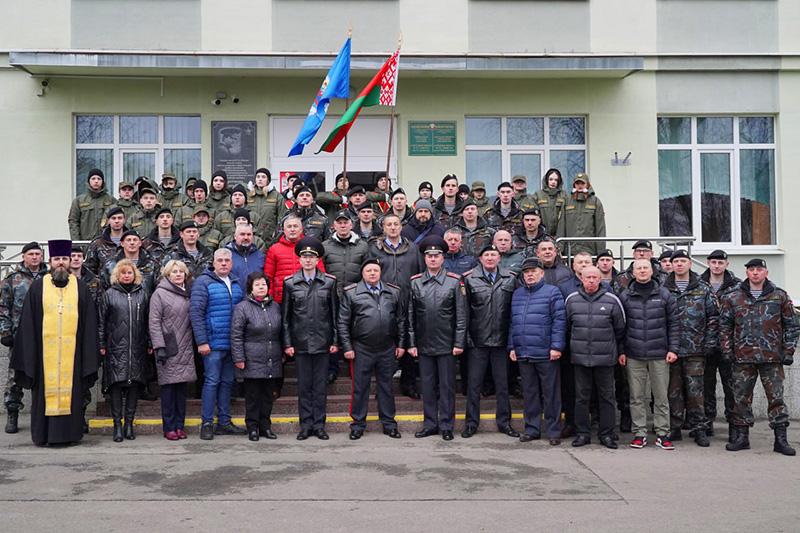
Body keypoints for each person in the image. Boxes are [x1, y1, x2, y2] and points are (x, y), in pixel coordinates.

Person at [9, 240, 99, 446]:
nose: (61, 263)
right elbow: (28, 322)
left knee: (73, 394)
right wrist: (30, 354)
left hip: (72, 356)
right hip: (44, 357)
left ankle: (71, 435)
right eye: (57, 259)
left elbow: (89, 323)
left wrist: (88, 354)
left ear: (70, 262)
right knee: (43, 394)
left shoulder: (81, 288)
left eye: (64, 259)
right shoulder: (38, 287)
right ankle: (44, 435)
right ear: (50, 261)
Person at [720, 258, 799, 456]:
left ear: (766, 272)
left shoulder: (779, 296)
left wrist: (788, 351)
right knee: (741, 399)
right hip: (742, 357)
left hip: (771, 357)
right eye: (751, 269)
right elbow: (725, 326)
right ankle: (742, 438)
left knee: (776, 399)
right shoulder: (733, 297)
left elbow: (792, 325)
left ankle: (781, 440)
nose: (755, 273)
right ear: (746, 273)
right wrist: (727, 351)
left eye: (759, 269)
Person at [339, 259, 407, 440]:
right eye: (368, 270)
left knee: (386, 387)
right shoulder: (351, 292)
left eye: (375, 270)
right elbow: (343, 322)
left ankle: (389, 424)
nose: (372, 273)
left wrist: (401, 344)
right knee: (360, 388)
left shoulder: (393, 291)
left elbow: (401, 320)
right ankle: (358, 425)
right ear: (362, 273)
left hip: (387, 348)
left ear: (380, 272)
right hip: (361, 348)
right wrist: (347, 347)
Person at [408, 236, 467, 441]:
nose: (433, 259)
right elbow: (410, 316)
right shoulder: (415, 282)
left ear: (443, 258)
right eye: (429, 256)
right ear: (424, 258)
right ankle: (430, 424)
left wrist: (459, 342)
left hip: (447, 344)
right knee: (427, 387)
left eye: (437, 255)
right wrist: (412, 343)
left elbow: (461, 315)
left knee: (447, 387)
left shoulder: (454, 281)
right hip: (424, 343)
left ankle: (447, 425)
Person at [618, 259, 679, 450]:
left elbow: (674, 323)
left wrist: (673, 349)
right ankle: (639, 433)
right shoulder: (625, 296)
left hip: (660, 353)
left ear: (652, 271)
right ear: (633, 272)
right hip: (633, 354)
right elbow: (620, 326)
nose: (642, 271)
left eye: (646, 268)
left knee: (661, 397)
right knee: (636, 397)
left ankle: (662, 433)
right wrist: (621, 351)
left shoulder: (664, 294)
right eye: (639, 268)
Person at [282, 237, 338, 441]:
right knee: (304, 387)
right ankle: (305, 425)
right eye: (304, 256)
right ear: (299, 259)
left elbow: (335, 314)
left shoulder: (329, 282)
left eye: (311, 257)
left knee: (320, 387)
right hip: (301, 343)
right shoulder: (290, 283)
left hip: (323, 342)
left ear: (317, 260)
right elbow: (286, 317)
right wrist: (288, 343)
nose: (307, 260)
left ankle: (319, 425)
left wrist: (335, 341)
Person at [564, 266, 626, 449]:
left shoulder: (612, 300)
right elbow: (567, 327)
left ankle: (606, 434)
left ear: (600, 279)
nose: (591, 281)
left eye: (594, 277)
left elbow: (620, 329)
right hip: (580, 358)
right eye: (587, 277)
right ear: (581, 279)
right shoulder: (571, 300)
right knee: (581, 398)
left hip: (605, 359)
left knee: (606, 397)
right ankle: (583, 434)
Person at [461, 244, 518, 439]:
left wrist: (512, 341)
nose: (490, 258)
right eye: (487, 255)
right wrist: (467, 339)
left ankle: (504, 423)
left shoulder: (511, 278)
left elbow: (514, 311)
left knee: (502, 386)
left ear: (499, 258)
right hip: (478, 342)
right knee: (474, 386)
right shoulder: (469, 279)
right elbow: (464, 312)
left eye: (494, 254)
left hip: (501, 341)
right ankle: (471, 423)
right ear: (480, 259)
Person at [508, 257, 566, 445]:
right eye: (526, 272)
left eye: (533, 271)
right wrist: (512, 346)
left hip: (546, 352)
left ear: (542, 273)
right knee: (530, 393)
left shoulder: (552, 292)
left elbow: (559, 321)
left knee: (551, 394)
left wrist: (556, 347)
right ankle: (531, 429)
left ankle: (553, 431)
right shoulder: (517, 294)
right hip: (524, 352)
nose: (530, 275)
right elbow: (513, 322)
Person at [663, 250, 718, 447]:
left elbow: (713, 317)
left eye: (683, 261)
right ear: (671, 265)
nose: (679, 264)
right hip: (671, 349)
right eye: (676, 261)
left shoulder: (703, 288)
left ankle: (699, 428)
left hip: (696, 349)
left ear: (689, 264)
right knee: (673, 391)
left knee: (696, 392)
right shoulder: (663, 288)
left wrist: (709, 342)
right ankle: (674, 427)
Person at [190, 248, 245, 440]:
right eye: (220, 260)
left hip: (232, 343)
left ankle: (224, 422)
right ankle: (207, 423)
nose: (223, 263)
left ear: (231, 263)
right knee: (212, 382)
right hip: (212, 344)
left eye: (227, 261)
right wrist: (202, 341)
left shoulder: (236, 282)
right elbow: (196, 313)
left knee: (227, 382)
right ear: (213, 262)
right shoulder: (203, 282)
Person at [368, 214, 424, 398]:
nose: (392, 227)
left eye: (396, 224)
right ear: (383, 228)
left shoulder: (413, 248)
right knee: (385, 345)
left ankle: (409, 385)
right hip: (384, 302)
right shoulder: (375, 249)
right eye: (389, 225)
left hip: (408, 301)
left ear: (401, 227)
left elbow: (420, 273)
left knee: (408, 343)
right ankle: (383, 388)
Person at [98, 259, 151, 442]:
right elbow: (101, 322)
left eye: (129, 273)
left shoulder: (143, 294)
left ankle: (129, 424)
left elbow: (148, 321)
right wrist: (101, 344)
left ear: (135, 275)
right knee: (116, 385)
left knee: (134, 386)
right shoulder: (109, 294)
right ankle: (117, 426)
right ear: (117, 275)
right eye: (123, 273)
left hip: (137, 347)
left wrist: (150, 342)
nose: (126, 276)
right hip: (115, 348)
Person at [1, 242, 47, 434]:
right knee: (15, 377)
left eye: (37, 254)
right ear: (23, 256)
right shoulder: (12, 279)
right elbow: (3, 307)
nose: (34, 257)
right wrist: (5, 332)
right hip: (20, 335)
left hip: (45, 335)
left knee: (44, 377)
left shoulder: (49, 278)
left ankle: (44, 416)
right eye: (31, 254)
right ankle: (12, 414)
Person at [231, 271, 282, 442]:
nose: (261, 287)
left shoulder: (275, 306)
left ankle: (265, 426)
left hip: (272, 358)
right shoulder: (242, 307)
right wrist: (239, 358)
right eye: (257, 285)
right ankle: (252, 428)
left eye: (264, 284)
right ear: (250, 288)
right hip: (251, 359)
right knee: (253, 396)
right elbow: (236, 335)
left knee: (268, 396)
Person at [148, 260, 196, 441]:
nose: (178, 274)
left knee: (181, 390)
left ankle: (179, 426)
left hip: (186, 346)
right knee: (168, 390)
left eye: (181, 272)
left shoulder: (188, 292)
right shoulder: (159, 294)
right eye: (174, 272)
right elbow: (154, 322)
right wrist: (159, 346)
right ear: (167, 275)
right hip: (168, 347)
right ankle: (169, 427)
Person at [322, 211, 369, 383]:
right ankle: (332, 369)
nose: (343, 225)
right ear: (334, 225)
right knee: (332, 332)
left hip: (355, 296)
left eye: (345, 222)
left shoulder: (362, 246)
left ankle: (355, 367)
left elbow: (367, 270)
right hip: (332, 296)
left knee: (355, 331)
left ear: (351, 224)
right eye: (339, 222)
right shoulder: (325, 246)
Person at [700, 249, 740, 440]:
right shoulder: (699, 283)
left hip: (729, 345)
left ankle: (734, 425)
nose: (717, 266)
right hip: (705, 344)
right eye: (714, 262)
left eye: (720, 263)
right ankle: (707, 422)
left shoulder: (737, 285)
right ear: (708, 263)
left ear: (726, 264)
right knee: (706, 386)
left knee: (731, 387)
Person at [557, 251, 595, 439]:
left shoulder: (602, 286)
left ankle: (595, 423)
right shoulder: (564, 287)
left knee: (595, 388)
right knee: (571, 388)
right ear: (573, 266)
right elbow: (560, 316)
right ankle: (572, 423)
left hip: (596, 346)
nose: (583, 265)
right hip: (572, 345)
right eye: (580, 262)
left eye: (587, 261)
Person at [69, 245, 102, 433]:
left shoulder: (94, 281)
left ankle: (80, 416)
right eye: (72, 256)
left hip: (87, 335)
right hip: (65, 335)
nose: (75, 259)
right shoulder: (58, 279)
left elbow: (100, 310)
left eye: (79, 256)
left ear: (83, 258)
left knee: (84, 377)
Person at [263, 216, 325, 304]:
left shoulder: (311, 247)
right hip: (281, 299)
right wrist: (269, 298)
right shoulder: (274, 249)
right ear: (284, 230)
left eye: (295, 226)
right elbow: (268, 277)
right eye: (289, 227)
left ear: (301, 229)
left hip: (307, 297)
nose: (292, 229)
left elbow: (321, 274)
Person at [557, 173, 606, 256]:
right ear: (574, 185)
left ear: (587, 185)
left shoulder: (595, 201)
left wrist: (601, 252)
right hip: (570, 249)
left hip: (589, 250)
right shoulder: (567, 201)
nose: (580, 186)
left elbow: (600, 228)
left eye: (582, 183)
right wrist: (560, 249)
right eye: (577, 183)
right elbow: (561, 226)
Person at [101, 230, 157, 294]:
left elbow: (157, 286)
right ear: (122, 243)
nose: (132, 243)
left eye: (135, 240)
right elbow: (104, 288)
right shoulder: (111, 265)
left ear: (140, 243)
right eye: (128, 240)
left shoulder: (151, 263)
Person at [68, 168, 116, 241]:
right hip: (86, 243)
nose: (96, 181)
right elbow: (73, 222)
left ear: (102, 181)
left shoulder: (111, 200)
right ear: (89, 181)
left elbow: (118, 221)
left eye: (99, 179)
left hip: (106, 242)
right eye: (93, 178)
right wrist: (76, 242)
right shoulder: (79, 201)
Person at [84, 207, 126, 275]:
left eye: (120, 218)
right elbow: (89, 268)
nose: (117, 221)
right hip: (104, 280)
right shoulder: (98, 243)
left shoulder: (132, 240)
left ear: (124, 220)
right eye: (113, 218)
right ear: (108, 221)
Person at [247, 168, 282, 243]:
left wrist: (276, 234)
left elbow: (281, 218)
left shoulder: (276, 196)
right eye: (258, 177)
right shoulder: (249, 196)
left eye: (263, 177)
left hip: (269, 238)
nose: (260, 179)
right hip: (250, 236)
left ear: (268, 180)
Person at [532, 168, 566, 239]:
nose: (553, 182)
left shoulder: (564, 195)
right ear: (546, 180)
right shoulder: (538, 195)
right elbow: (535, 215)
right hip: (542, 234)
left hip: (560, 236)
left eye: (556, 180)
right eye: (551, 179)